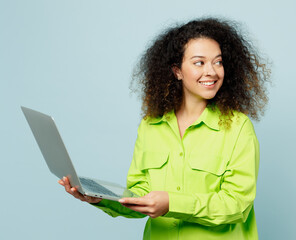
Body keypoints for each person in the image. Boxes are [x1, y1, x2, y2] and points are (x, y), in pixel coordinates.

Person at [59, 17, 270, 239]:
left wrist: (172, 203)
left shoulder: (238, 128)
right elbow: (140, 196)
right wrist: (100, 198)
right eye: (199, 62)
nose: (212, 71)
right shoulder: (150, 125)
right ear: (177, 71)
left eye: (218, 62)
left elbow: (237, 205)